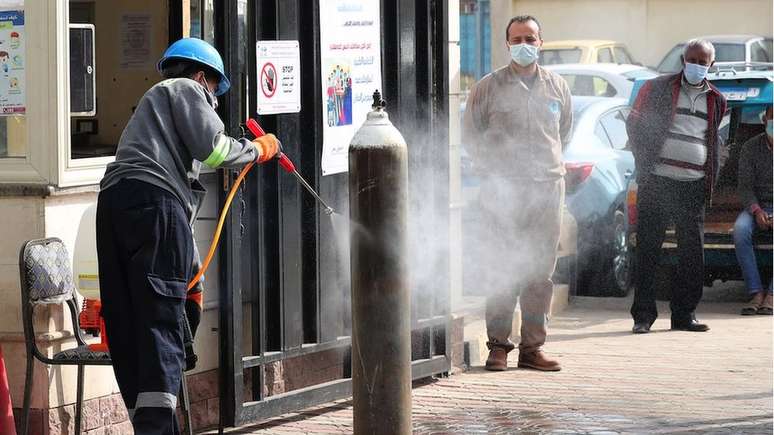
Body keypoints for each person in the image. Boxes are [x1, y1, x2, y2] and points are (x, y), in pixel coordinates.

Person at [96, 38, 279, 434]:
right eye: (215, 92)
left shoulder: (150, 116)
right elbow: (214, 150)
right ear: (202, 76)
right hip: (154, 202)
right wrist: (257, 149)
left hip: (113, 206)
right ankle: (159, 426)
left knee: (129, 316)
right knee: (161, 319)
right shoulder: (185, 88)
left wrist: (189, 270)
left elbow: (170, 223)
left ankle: (151, 424)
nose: (213, 101)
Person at [463, 15, 572, 371]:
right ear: (507, 44)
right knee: (501, 267)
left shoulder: (557, 87)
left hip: (547, 189)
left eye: (531, 38)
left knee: (540, 272)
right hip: (502, 192)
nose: (524, 44)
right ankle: (497, 346)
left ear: (541, 42)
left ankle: (532, 349)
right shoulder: (487, 87)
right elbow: (471, 137)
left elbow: (563, 133)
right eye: (517, 39)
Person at [628, 39, 727, 334]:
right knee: (648, 249)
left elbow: (712, 138)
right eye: (691, 60)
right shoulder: (658, 88)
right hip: (658, 181)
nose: (696, 66)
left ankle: (684, 315)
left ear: (712, 65)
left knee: (692, 254)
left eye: (702, 61)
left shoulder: (717, 99)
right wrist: (645, 161)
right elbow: (634, 124)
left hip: (692, 186)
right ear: (683, 61)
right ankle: (643, 316)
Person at [735, 105, 773, 315]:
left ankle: (772, 295)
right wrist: (757, 211)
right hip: (756, 206)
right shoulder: (750, 148)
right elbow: (745, 187)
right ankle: (755, 292)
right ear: (765, 120)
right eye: (773, 118)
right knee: (740, 230)